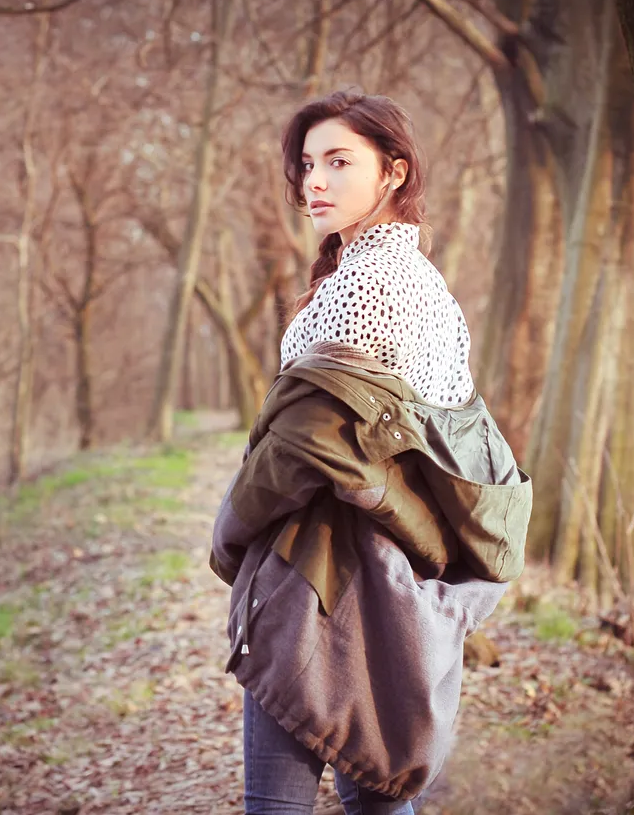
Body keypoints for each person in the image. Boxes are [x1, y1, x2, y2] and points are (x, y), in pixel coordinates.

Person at [210, 89, 533, 815]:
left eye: (337, 162)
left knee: (279, 806)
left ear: (393, 171)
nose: (312, 182)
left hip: (322, 578)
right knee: (376, 797)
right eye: (306, 165)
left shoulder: (368, 287)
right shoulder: (421, 281)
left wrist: (229, 535)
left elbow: (305, 443)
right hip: (388, 586)